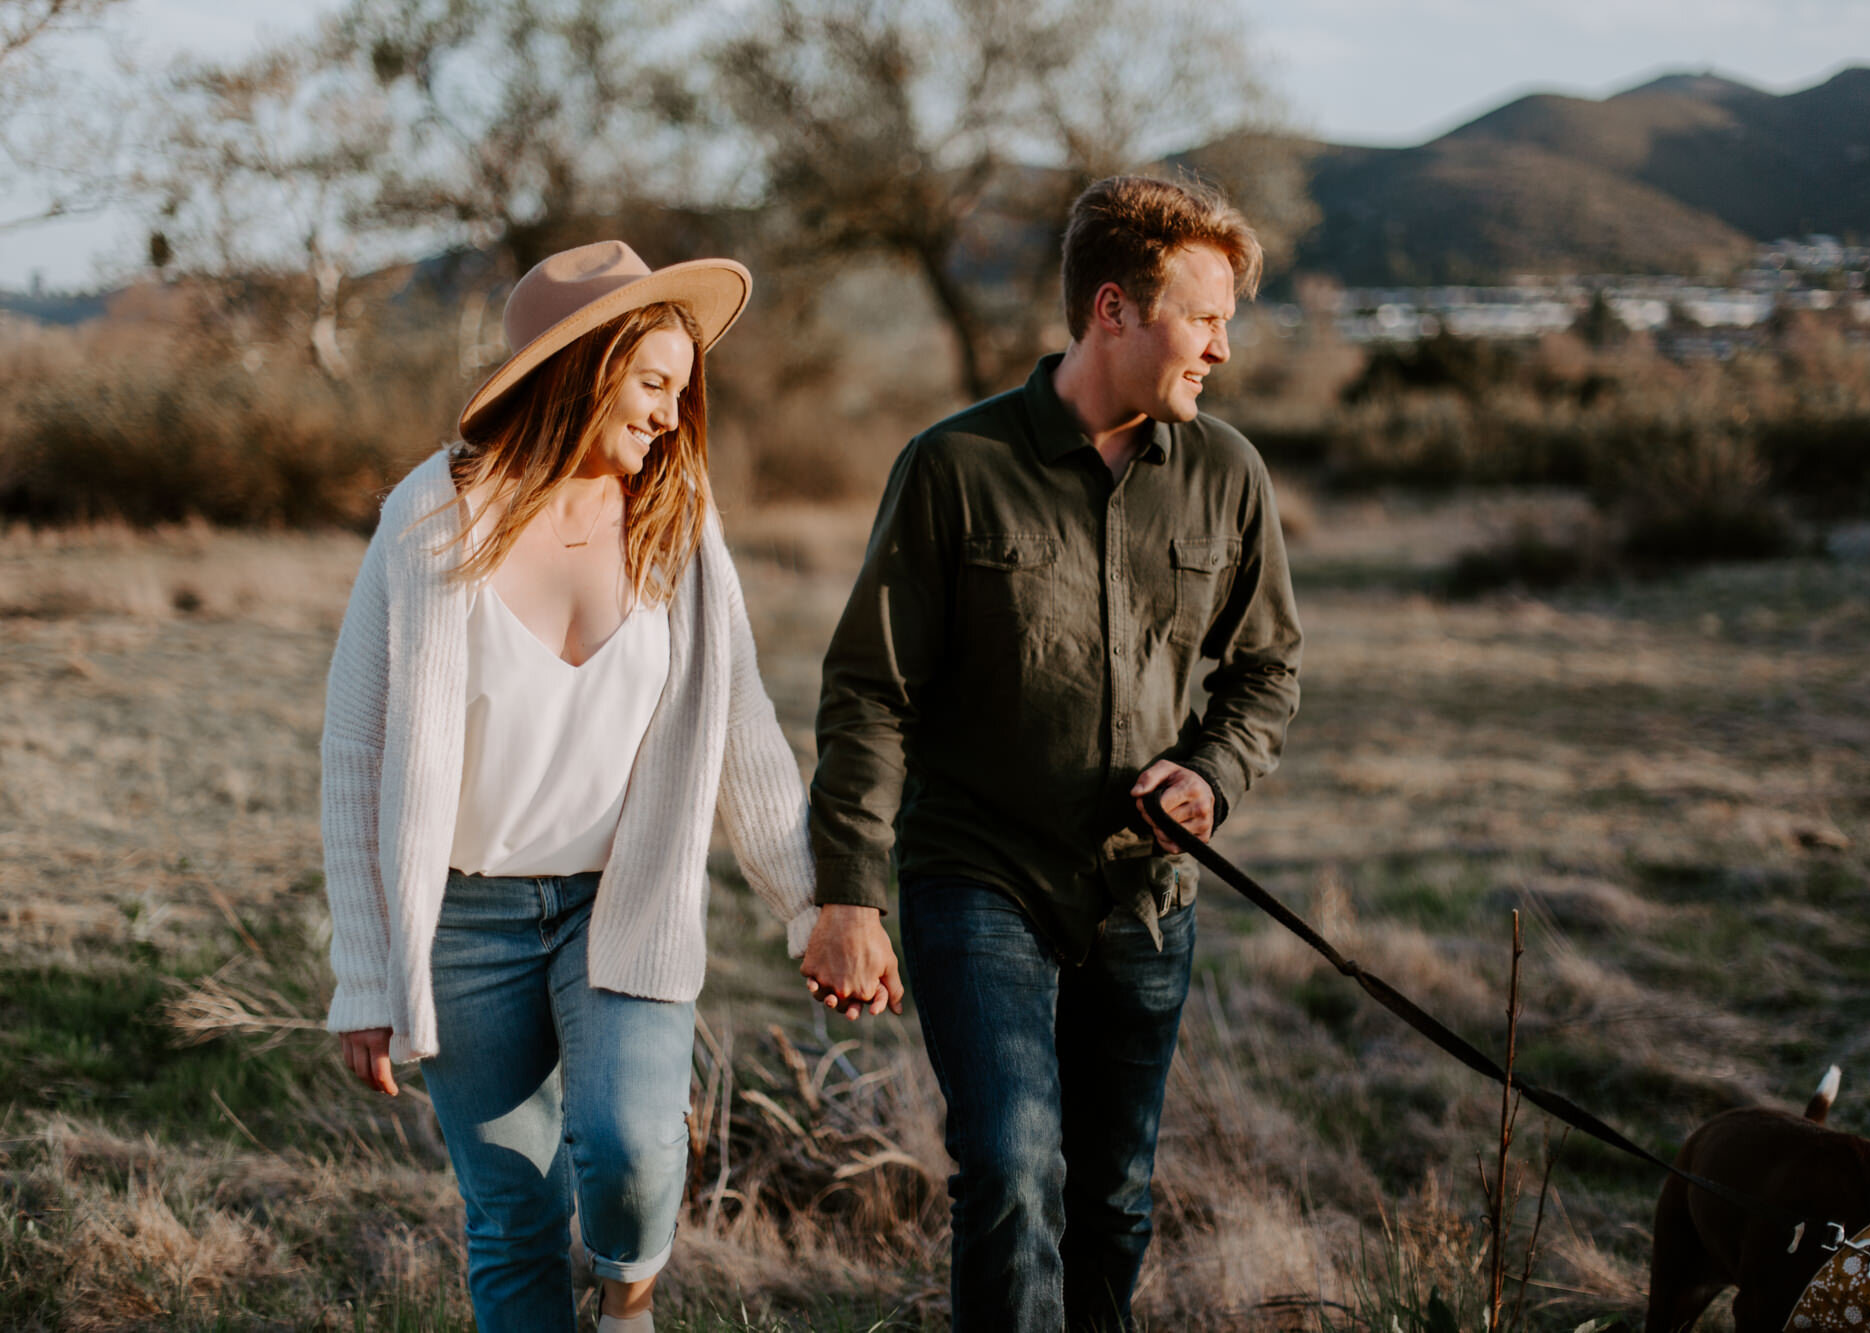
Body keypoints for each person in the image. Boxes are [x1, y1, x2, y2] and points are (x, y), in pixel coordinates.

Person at [801, 176, 1303, 1331]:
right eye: (1205, 316)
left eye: (1228, 320)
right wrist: (846, 895)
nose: (1222, 348)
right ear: (1114, 310)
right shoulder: (952, 467)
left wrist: (1210, 774)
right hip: (976, 876)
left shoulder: (1228, 476)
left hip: (1145, 893)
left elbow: (1265, 674)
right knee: (1014, 1171)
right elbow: (871, 689)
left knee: (1112, 1196)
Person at [319, 241, 818, 1332]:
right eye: (652, 383)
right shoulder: (429, 518)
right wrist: (365, 971)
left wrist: (807, 902)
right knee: (512, 1213)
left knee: (633, 1149)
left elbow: (741, 724)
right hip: (463, 919)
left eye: (682, 393)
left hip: (619, 901)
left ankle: (628, 1299)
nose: (670, 416)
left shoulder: (676, 525)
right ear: (581, 368)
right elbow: (354, 753)